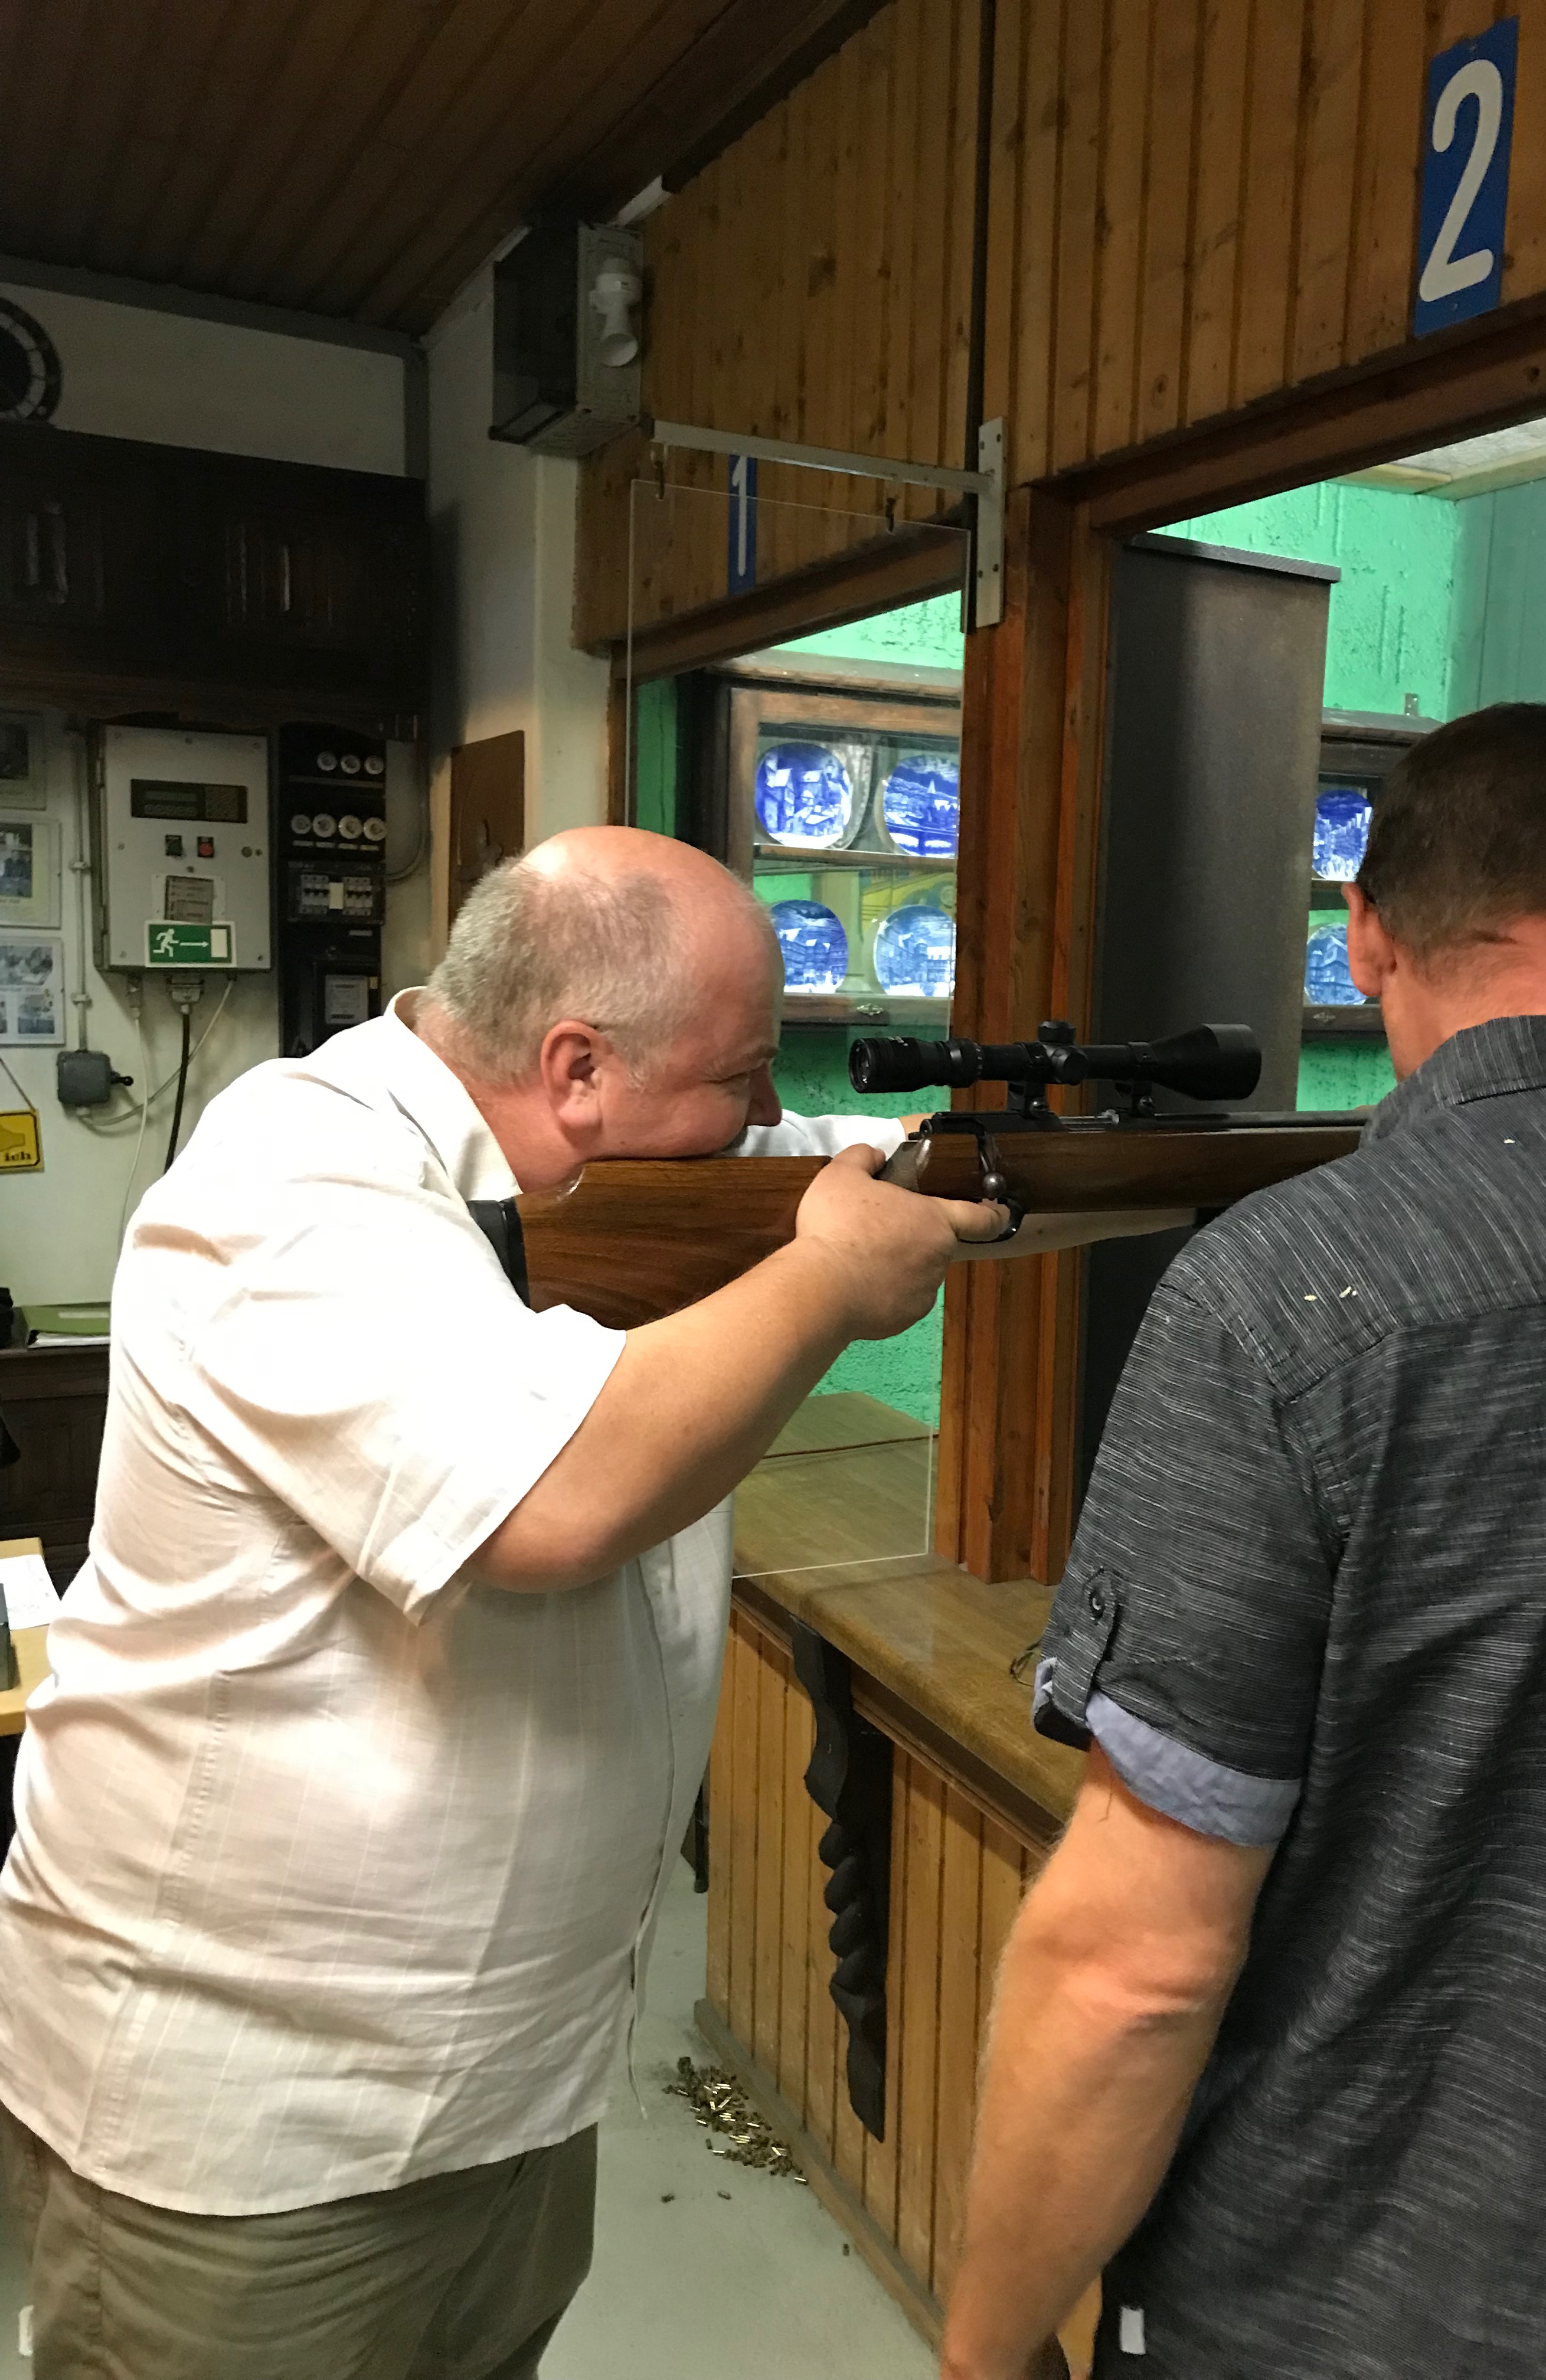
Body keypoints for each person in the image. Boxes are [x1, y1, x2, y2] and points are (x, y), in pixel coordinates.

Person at [0, 825, 1005, 2380]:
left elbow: (864, 1173)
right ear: (578, 1068)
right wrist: (828, 1285)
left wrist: (1037, 1170)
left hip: (508, 2093)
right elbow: (552, 1506)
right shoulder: (292, 1182)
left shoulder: (608, 1162)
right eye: (743, 1075)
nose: (769, 1114)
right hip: (254, 2137)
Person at [940, 704, 1546, 2380]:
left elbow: (1134, 1968)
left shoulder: (1281, 1297)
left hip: (1334, 2301)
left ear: (1366, 940)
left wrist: (984, 2343)